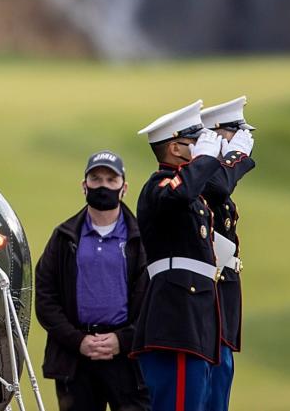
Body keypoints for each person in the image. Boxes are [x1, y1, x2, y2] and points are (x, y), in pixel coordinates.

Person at [129, 101, 253, 411]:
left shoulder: (192, 192)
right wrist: (210, 159)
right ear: (175, 148)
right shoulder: (158, 186)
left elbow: (204, 190)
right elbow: (181, 192)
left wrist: (214, 161)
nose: (203, 145)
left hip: (196, 316)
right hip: (177, 316)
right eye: (195, 141)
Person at [34, 150, 152, 411]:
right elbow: (45, 297)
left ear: (124, 188)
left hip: (127, 360)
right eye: (96, 179)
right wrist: (78, 341)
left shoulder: (141, 239)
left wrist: (123, 340)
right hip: (75, 360)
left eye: (111, 180)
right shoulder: (64, 237)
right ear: (84, 186)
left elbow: (153, 299)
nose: (103, 186)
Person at [199, 97, 257, 411]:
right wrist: (234, 158)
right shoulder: (201, 178)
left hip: (222, 306)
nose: (245, 140)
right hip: (203, 307)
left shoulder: (217, 181)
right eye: (234, 132)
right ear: (216, 134)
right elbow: (216, 187)